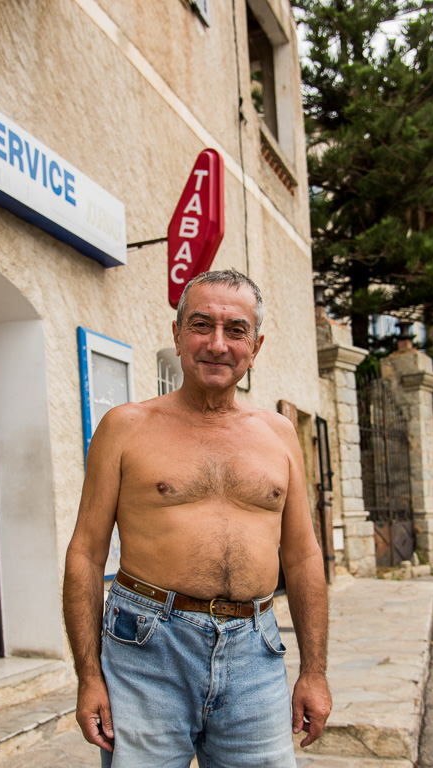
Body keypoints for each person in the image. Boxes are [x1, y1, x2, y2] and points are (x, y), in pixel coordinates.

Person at [62, 269, 332, 767]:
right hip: (146, 650)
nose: (216, 344)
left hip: (255, 651)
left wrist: (314, 671)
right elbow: (84, 552)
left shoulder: (279, 434)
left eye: (235, 330)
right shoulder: (125, 427)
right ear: (177, 333)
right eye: (201, 325)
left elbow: (303, 555)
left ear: (257, 344)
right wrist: (89, 676)